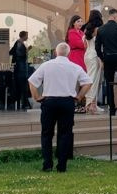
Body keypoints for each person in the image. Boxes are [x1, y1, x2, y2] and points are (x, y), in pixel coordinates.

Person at [28, 42, 92, 172]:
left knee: (46, 133)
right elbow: (88, 83)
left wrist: (36, 96)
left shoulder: (46, 65)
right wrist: (79, 96)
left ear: (56, 52)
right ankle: (62, 165)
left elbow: (32, 81)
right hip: (67, 102)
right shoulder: (75, 66)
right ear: (69, 53)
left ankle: (47, 164)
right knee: (65, 133)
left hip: (49, 101)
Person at [82, 10, 104, 115]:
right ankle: (91, 105)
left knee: (91, 78)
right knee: (94, 80)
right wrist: (101, 58)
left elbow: (85, 44)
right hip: (95, 55)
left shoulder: (87, 28)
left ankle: (91, 103)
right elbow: (99, 45)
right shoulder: (98, 29)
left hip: (87, 55)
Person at [9, 30, 32, 110]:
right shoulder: (19, 44)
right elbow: (20, 55)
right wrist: (27, 50)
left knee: (20, 87)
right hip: (21, 69)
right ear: (23, 36)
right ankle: (24, 104)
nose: (27, 37)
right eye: (26, 35)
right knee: (23, 87)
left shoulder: (18, 43)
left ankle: (19, 103)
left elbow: (12, 52)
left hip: (19, 69)